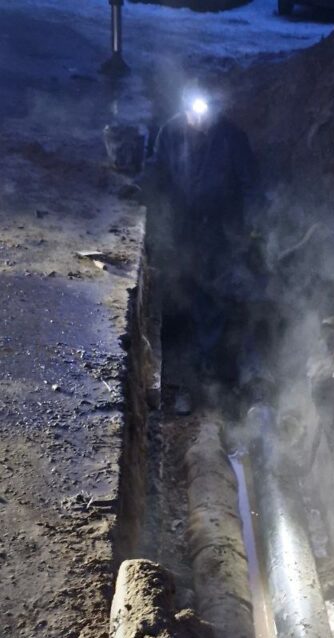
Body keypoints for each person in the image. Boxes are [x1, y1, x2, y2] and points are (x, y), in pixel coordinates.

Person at [147, 85, 266, 408]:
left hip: (221, 229)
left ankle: (215, 370)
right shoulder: (170, 133)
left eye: (205, 114)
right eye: (193, 113)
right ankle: (189, 363)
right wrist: (144, 197)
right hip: (183, 226)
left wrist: (255, 226)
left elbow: (252, 185)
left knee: (214, 295)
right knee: (186, 288)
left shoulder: (231, 138)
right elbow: (157, 171)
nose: (199, 120)